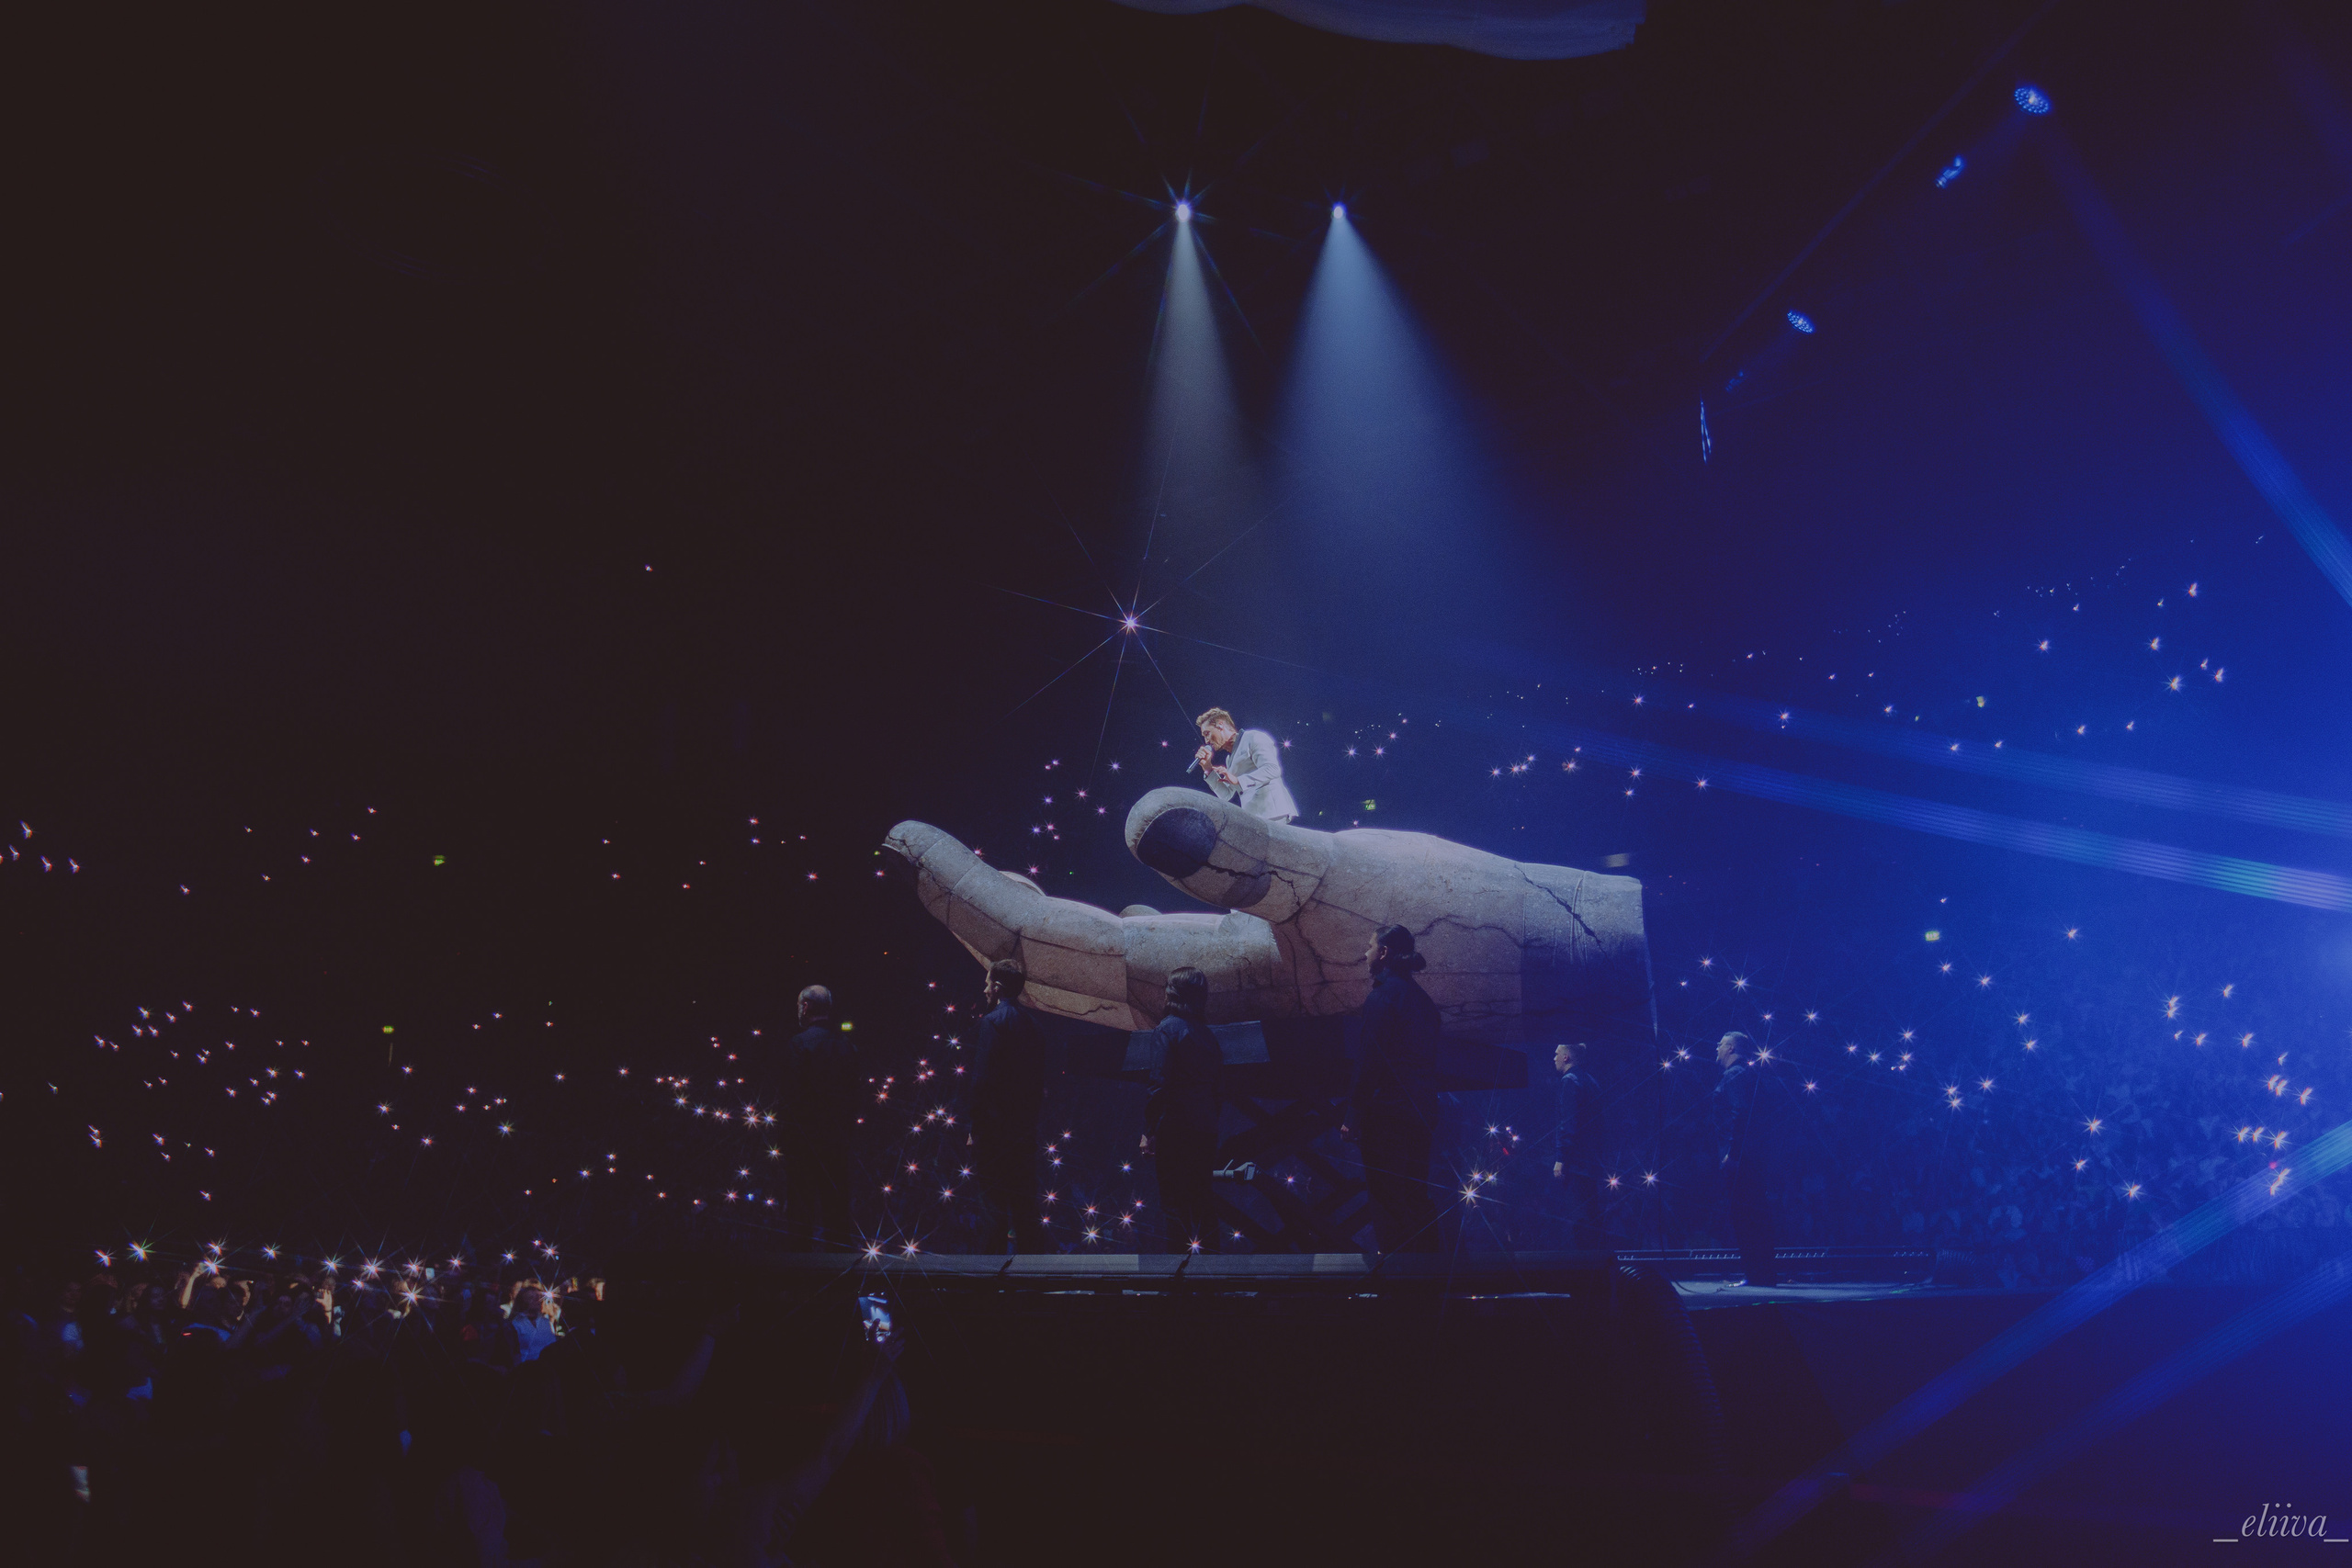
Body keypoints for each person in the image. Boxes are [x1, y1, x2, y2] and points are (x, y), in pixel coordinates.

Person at [1351, 924, 1444, 1253]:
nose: (1365, 952)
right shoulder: (1424, 1002)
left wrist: (1354, 1112)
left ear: (1384, 953)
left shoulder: (1381, 998)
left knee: (1387, 1202)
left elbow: (1369, 1062)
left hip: (1386, 1114)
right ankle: (1429, 1279)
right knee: (1416, 1197)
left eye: (1370, 945)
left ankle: (1398, 1287)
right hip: (1422, 1112)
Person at [964, 958, 1051, 1254]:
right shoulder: (1035, 1027)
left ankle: (990, 1283)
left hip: (994, 1131)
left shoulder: (992, 1023)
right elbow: (1039, 1085)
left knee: (993, 1206)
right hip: (1023, 1131)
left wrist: (975, 1127)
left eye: (988, 983)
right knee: (1025, 1207)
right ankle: (1035, 1280)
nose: (984, 988)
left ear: (998, 988)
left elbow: (982, 1081)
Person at [1139, 966, 1225, 1252]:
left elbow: (1158, 1084)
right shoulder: (1208, 1037)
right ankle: (1214, 1276)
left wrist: (1149, 1131)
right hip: (1205, 1128)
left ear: (1171, 993)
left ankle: (1177, 1280)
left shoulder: (1166, 1031)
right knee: (1202, 1201)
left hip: (1174, 1129)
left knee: (1173, 1205)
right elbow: (1218, 1090)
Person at [781, 985, 860, 1248]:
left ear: (805, 1006)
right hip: (838, 1144)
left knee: (800, 1219)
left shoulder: (798, 1045)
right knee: (837, 1218)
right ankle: (840, 1282)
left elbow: (791, 1098)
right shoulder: (847, 1046)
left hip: (803, 1144)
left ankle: (797, 1282)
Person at [1713, 1031, 1779, 1287]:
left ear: (1730, 1048)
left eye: (1720, 1044)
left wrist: (1733, 1154)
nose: (1716, 1048)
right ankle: (1762, 1273)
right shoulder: (1745, 1074)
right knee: (1753, 1213)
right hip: (1750, 1155)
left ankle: (1757, 1273)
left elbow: (1741, 1114)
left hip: (1742, 1158)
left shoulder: (1735, 1075)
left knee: (1746, 1215)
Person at [1193, 706, 1298, 823]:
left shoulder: (1253, 737)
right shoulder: (1229, 759)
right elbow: (1226, 795)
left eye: (1207, 734)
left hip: (1272, 811)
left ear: (1220, 725)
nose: (1206, 741)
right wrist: (1208, 768)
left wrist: (1238, 780)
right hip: (1254, 817)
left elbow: (1272, 769)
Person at [1551, 1042, 1607, 1251]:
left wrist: (1561, 1157)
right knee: (1592, 1214)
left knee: (1578, 1217)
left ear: (1566, 1057)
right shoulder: (1591, 1081)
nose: (1554, 1058)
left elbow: (1568, 1123)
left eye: (1557, 1054)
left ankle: (1582, 1267)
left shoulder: (1570, 1081)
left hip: (1576, 1163)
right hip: (1592, 1161)